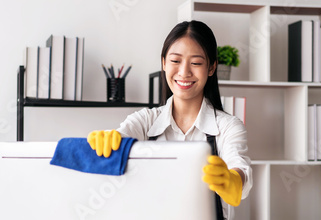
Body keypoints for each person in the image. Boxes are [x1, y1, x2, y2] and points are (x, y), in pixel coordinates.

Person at [87, 20, 252, 220]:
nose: (184, 72)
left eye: (196, 63)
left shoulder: (227, 127)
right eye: (175, 61)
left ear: (211, 67)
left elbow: (240, 168)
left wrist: (233, 180)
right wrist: (110, 143)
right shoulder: (145, 121)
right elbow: (122, 136)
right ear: (164, 63)